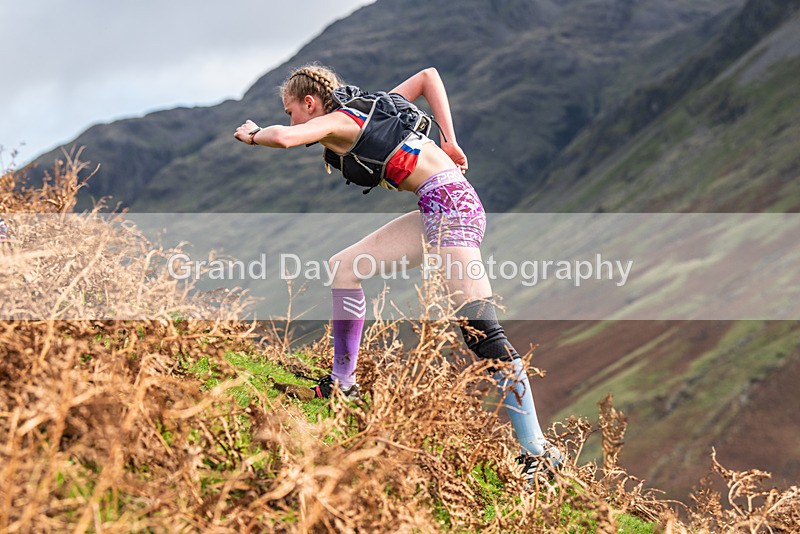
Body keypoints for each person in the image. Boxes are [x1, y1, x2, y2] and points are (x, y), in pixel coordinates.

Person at [234, 64, 562, 478]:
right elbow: (428, 77)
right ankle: (342, 385)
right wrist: (450, 142)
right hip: (435, 205)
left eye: (290, 110)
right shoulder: (372, 109)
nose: (290, 119)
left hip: (451, 208)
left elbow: (282, 137)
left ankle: (539, 454)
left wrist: (252, 134)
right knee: (344, 268)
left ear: (309, 103)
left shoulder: (341, 118)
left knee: (481, 331)